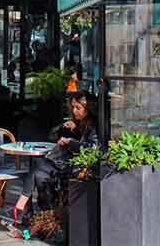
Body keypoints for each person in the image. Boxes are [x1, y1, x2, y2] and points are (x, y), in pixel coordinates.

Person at [12, 91, 99, 225]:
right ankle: (32, 215)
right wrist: (68, 129)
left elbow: (92, 148)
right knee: (38, 174)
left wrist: (70, 142)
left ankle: (23, 207)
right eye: (73, 107)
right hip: (66, 163)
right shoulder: (77, 123)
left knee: (38, 166)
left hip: (76, 167)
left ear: (88, 109)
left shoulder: (93, 125)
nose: (74, 111)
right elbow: (52, 137)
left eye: (78, 108)